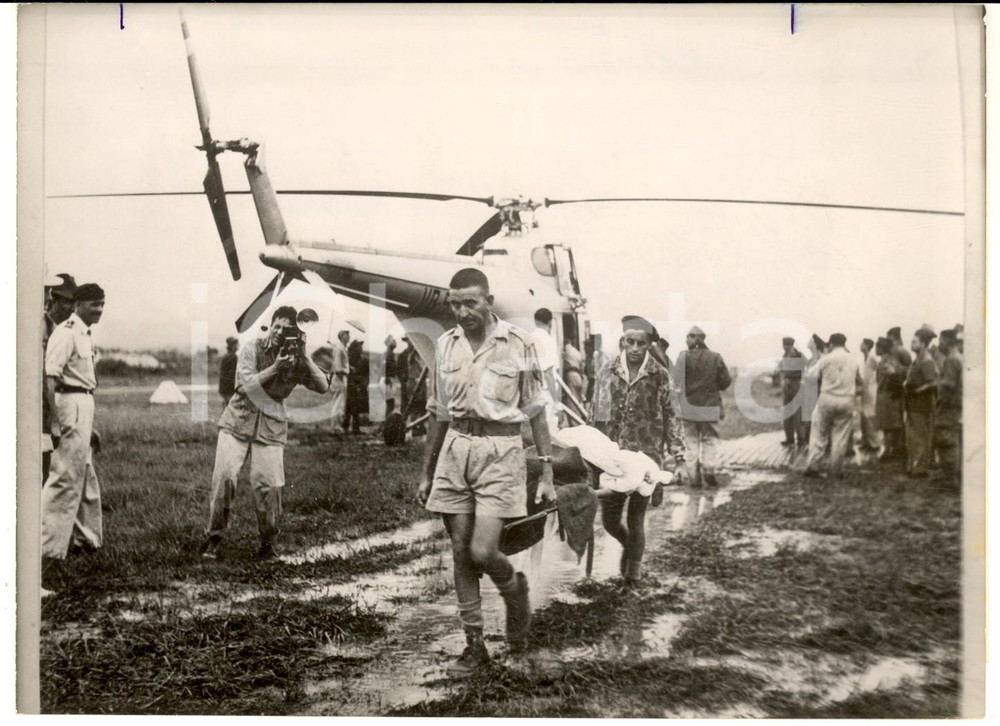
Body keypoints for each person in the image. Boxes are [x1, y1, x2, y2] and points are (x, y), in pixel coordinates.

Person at [417, 268, 555, 676]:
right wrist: (427, 472)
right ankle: (475, 646)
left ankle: (516, 593)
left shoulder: (521, 343)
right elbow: (438, 414)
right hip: (456, 450)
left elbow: (537, 412)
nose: (462, 311)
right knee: (460, 551)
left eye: (470, 302)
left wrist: (546, 473)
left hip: (501, 452)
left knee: (482, 551)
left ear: (489, 301)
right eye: (455, 303)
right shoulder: (445, 345)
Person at [202, 306, 329, 560]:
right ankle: (213, 540)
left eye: (287, 329)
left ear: (296, 333)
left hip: (271, 425)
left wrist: (304, 358)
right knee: (225, 479)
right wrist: (275, 368)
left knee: (270, 486)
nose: (280, 332)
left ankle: (268, 545)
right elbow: (245, 386)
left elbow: (323, 386)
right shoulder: (252, 348)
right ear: (269, 326)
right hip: (238, 419)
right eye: (277, 326)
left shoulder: (298, 358)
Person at [590, 316, 686, 586]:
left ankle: (633, 575)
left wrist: (679, 458)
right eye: (629, 342)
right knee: (610, 520)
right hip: (613, 458)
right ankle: (630, 547)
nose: (634, 348)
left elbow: (672, 416)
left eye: (640, 343)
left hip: (647, 459)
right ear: (622, 342)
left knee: (636, 518)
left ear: (648, 345)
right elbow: (595, 414)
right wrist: (588, 451)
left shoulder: (659, 375)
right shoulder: (607, 371)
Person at [41, 283, 105, 560]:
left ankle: (87, 540)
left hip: (84, 402)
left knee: (86, 473)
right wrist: (54, 422)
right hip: (69, 404)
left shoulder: (85, 334)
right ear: (78, 305)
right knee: (65, 475)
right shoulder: (65, 333)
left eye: (102, 304)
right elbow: (50, 378)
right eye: (94, 304)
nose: (100, 310)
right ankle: (48, 549)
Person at [673, 325, 731, 487]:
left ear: (695, 338)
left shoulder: (683, 357)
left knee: (690, 443)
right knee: (710, 440)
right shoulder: (716, 357)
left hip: (688, 409)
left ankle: (693, 478)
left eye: (688, 337)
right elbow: (726, 381)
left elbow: (675, 380)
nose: (686, 340)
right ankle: (709, 470)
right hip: (710, 408)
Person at [803, 333, 862, 480]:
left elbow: (810, 376)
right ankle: (835, 471)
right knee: (840, 437)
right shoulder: (853, 360)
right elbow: (860, 382)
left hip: (827, 398)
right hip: (846, 400)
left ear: (831, 344)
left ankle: (813, 466)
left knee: (819, 433)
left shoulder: (826, 359)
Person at [42, 273, 77, 485]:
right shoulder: (42, 327)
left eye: (74, 302)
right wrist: (53, 420)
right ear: (53, 300)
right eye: (67, 301)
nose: (71, 308)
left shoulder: (63, 332)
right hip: (43, 414)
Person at [904, 324, 939, 479]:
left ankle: (920, 469)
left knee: (920, 436)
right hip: (914, 404)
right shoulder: (919, 359)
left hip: (921, 404)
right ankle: (915, 467)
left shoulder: (926, 360)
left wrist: (917, 390)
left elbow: (932, 382)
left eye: (915, 342)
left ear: (924, 344)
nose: (912, 344)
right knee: (913, 436)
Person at [934, 329, 962, 487]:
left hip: (949, 406)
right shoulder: (958, 357)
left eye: (941, 340)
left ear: (948, 341)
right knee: (951, 441)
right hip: (955, 406)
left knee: (947, 442)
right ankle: (952, 477)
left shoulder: (951, 359)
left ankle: (950, 480)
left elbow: (949, 384)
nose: (940, 344)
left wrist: (937, 383)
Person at [875, 337, 905, 461]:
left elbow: (895, 376)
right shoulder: (891, 360)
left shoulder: (886, 362)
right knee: (892, 424)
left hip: (888, 395)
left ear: (882, 348)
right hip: (891, 395)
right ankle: (893, 449)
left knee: (888, 425)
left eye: (878, 346)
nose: (876, 349)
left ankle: (888, 451)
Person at [531, 308, 561, 431]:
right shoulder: (549, 341)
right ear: (550, 323)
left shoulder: (528, 337)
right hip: (545, 392)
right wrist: (556, 401)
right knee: (549, 430)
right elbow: (548, 373)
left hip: (530, 392)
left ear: (535, 321)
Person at [778, 337, 806, 447]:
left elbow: (807, 368)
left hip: (796, 384)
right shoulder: (784, 356)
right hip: (787, 384)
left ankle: (801, 439)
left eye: (787, 345)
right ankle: (789, 438)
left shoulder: (799, 355)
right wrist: (782, 380)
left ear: (791, 345)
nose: (785, 347)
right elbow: (781, 369)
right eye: (784, 345)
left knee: (798, 413)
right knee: (786, 412)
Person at [799, 334, 826, 447]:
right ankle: (807, 442)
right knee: (807, 417)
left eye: (810, 340)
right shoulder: (810, 359)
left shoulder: (821, 357)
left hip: (817, 390)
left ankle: (816, 443)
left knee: (815, 417)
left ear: (815, 344)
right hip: (808, 390)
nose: (808, 342)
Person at [858, 338, 882, 454]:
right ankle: (866, 442)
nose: (860, 345)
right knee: (864, 417)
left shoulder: (872, 358)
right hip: (866, 390)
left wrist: (877, 383)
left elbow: (879, 369)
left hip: (871, 390)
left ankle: (874, 443)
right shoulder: (865, 358)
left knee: (870, 417)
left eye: (862, 344)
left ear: (867, 345)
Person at [345, 340, 369, 434]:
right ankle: (345, 427)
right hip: (351, 387)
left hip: (361, 387)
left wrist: (365, 382)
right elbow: (347, 373)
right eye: (359, 346)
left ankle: (356, 428)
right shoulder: (348, 360)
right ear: (354, 348)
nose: (361, 348)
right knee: (348, 409)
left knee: (357, 409)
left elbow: (368, 374)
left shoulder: (364, 360)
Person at [329, 330, 351, 434]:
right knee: (338, 404)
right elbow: (338, 368)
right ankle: (335, 428)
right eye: (347, 335)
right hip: (339, 378)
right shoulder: (339, 349)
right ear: (342, 336)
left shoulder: (342, 348)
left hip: (342, 377)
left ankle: (337, 427)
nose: (349, 337)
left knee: (341, 404)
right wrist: (344, 374)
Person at [218, 336, 239, 403]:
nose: (237, 346)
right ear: (232, 346)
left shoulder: (226, 356)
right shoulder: (233, 357)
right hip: (230, 388)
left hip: (223, 386)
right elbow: (233, 374)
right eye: (236, 345)